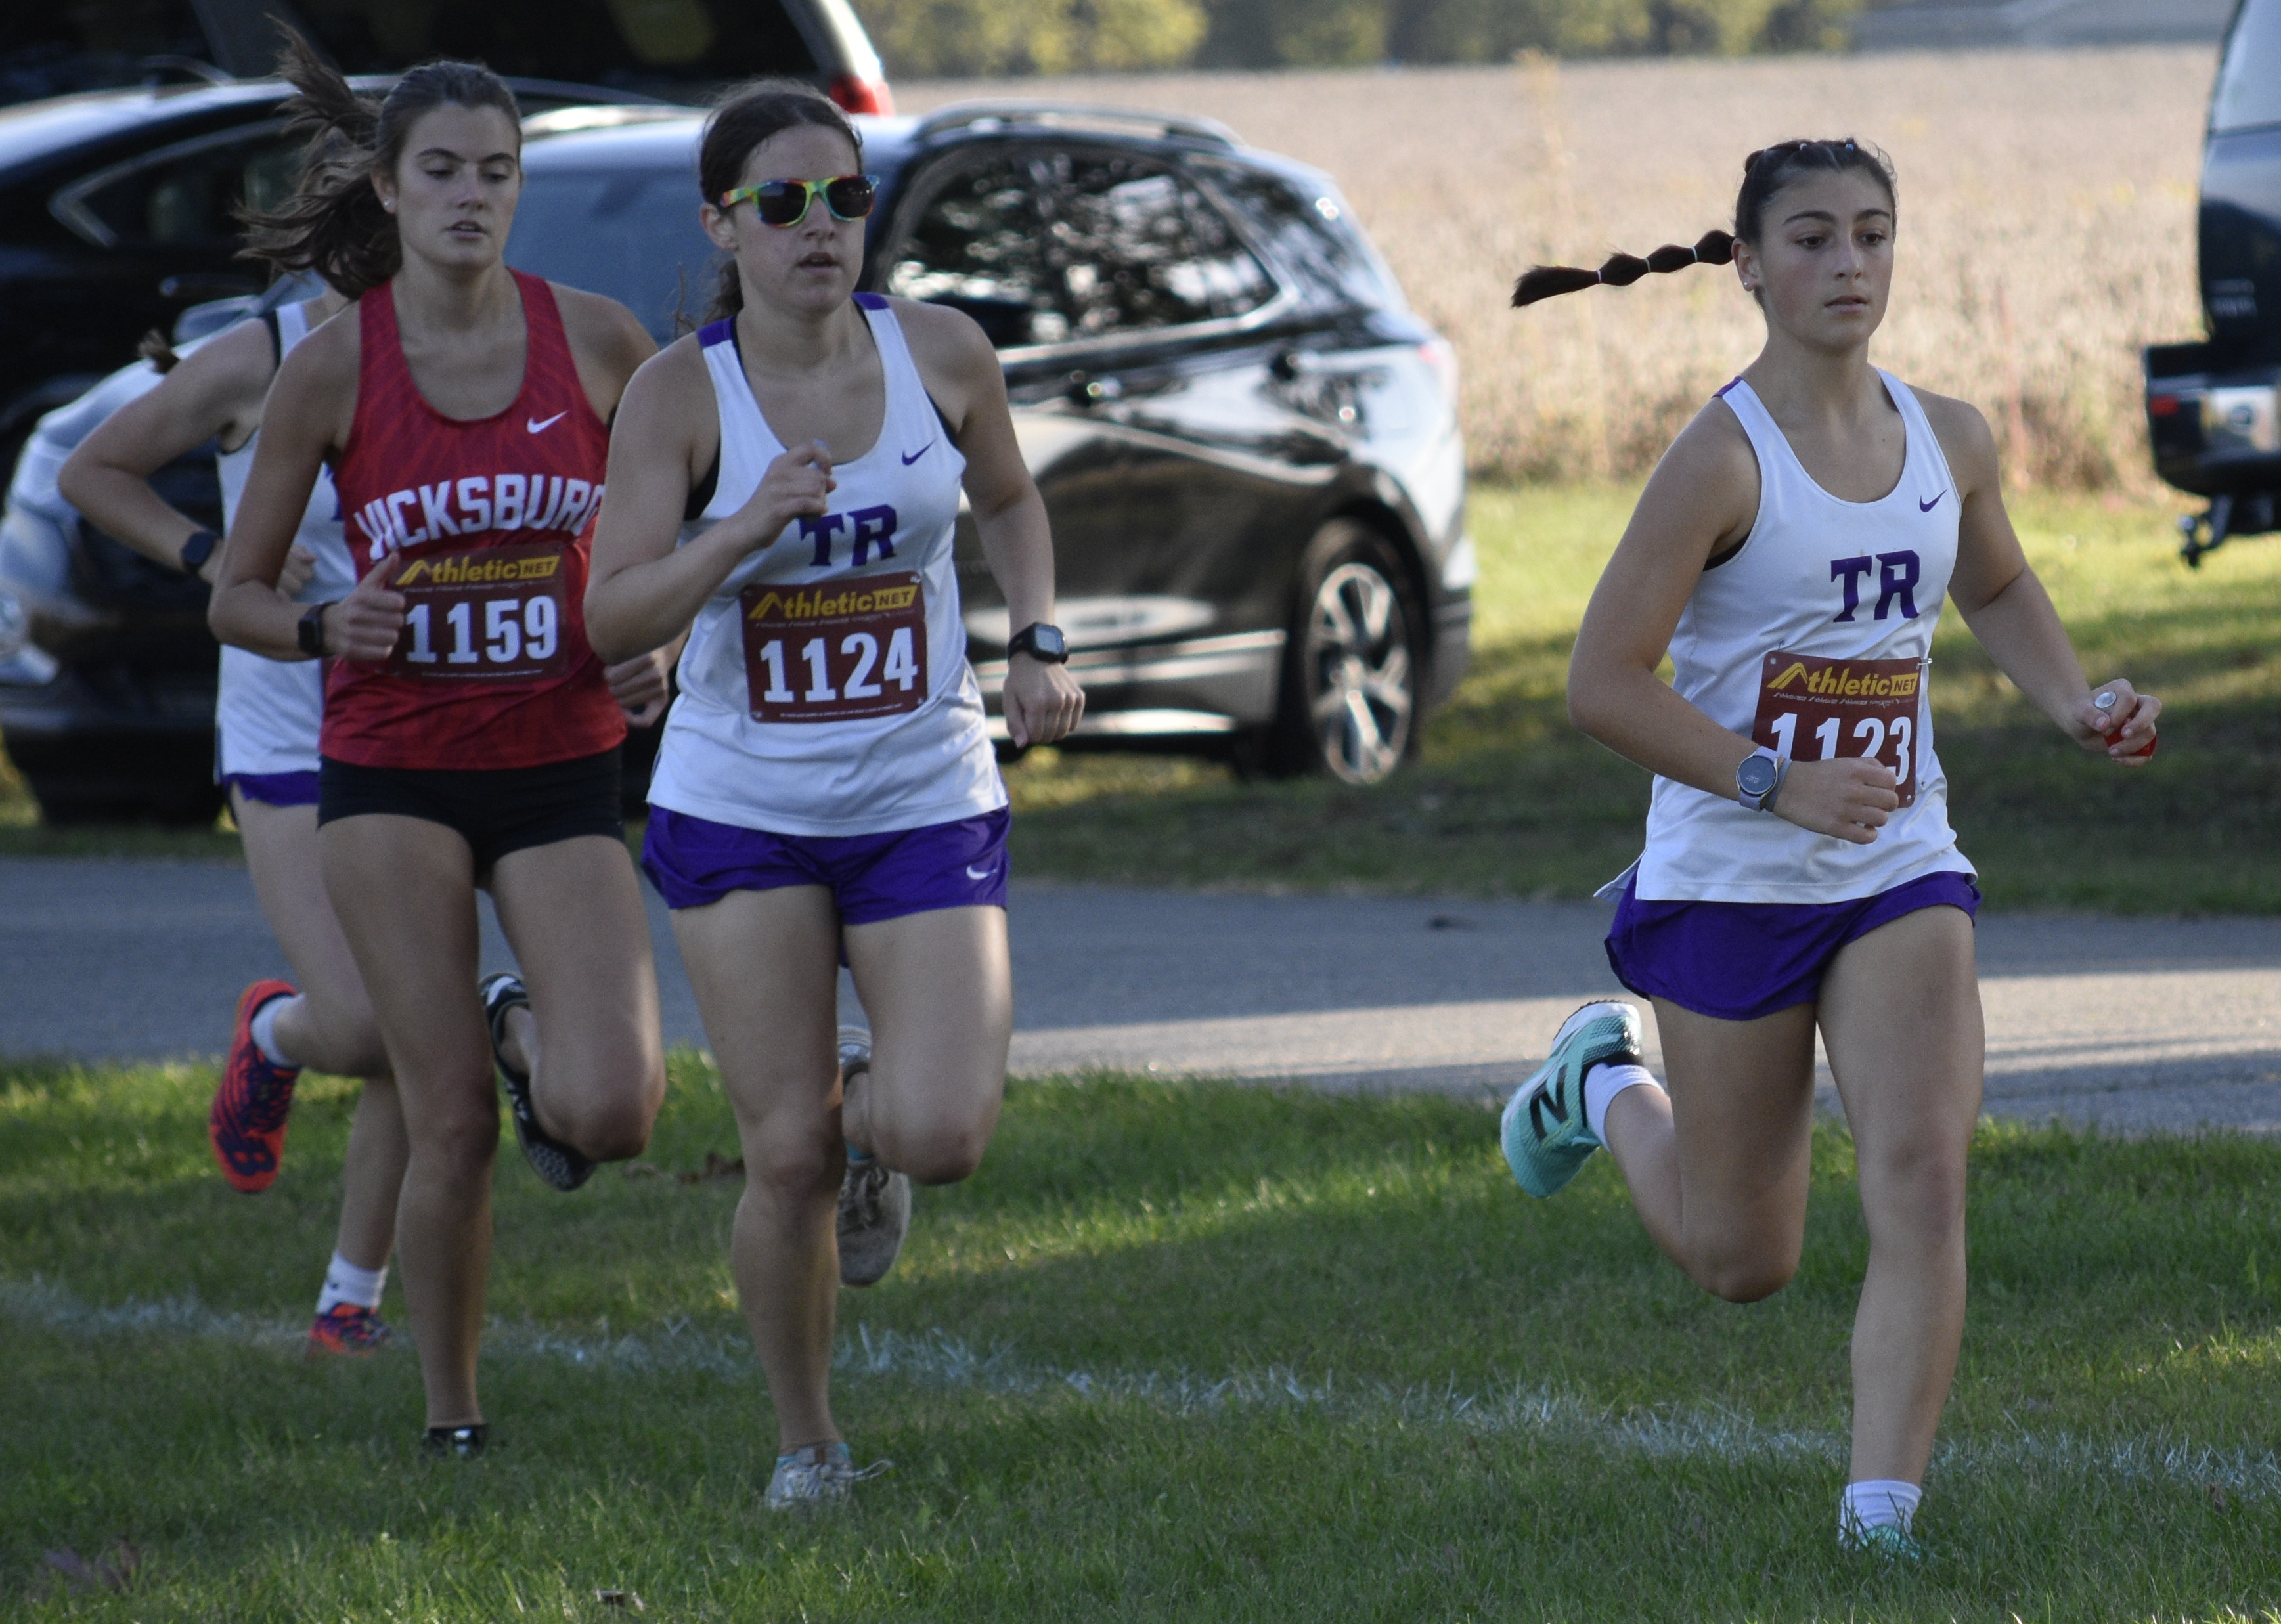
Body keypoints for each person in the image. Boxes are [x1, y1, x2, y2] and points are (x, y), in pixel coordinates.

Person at [1498, 139, 2160, 1558]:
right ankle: (1599, 1079)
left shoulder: (1948, 437)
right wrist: (1768, 780)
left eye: (1870, 235)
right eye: (1808, 239)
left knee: (1920, 1168)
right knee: (1743, 1259)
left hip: (1897, 864)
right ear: (1745, 264)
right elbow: (1599, 682)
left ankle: (1880, 1521)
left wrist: (2075, 701)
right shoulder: (1715, 460)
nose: (1845, 264)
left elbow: (1992, 576)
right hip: (1732, 877)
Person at [585, 82, 1084, 1510]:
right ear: (721, 222)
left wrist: (1036, 632)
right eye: (784, 204)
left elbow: (1005, 499)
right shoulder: (682, 393)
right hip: (741, 801)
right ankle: (808, 1444)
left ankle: (876, 1133)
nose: (820, 229)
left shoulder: (939, 349)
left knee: (940, 1132)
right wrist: (739, 530)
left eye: (845, 200)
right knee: (781, 1155)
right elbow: (615, 620)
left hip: (922, 788)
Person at [206, 36, 671, 1455]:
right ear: (393, 192)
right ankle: (451, 1418)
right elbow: (239, 589)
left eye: (498, 172)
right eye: (445, 172)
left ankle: (488, 1017)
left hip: (557, 759)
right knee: (452, 1120)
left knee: (613, 1106)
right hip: (393, 774)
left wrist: (659, 640)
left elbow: (677, 534)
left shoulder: (596, 340)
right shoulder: (334, 367)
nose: (474, 196)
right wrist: (321, 626)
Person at [58, 257, 411, 1356]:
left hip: (431, 722)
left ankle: (351, 1303)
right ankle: (275, 1032)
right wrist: (211, 557)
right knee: (358, 1021)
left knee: (420, 1023)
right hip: (290, 726)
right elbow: (95, 470)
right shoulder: (263, 354)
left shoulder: (482, 346)